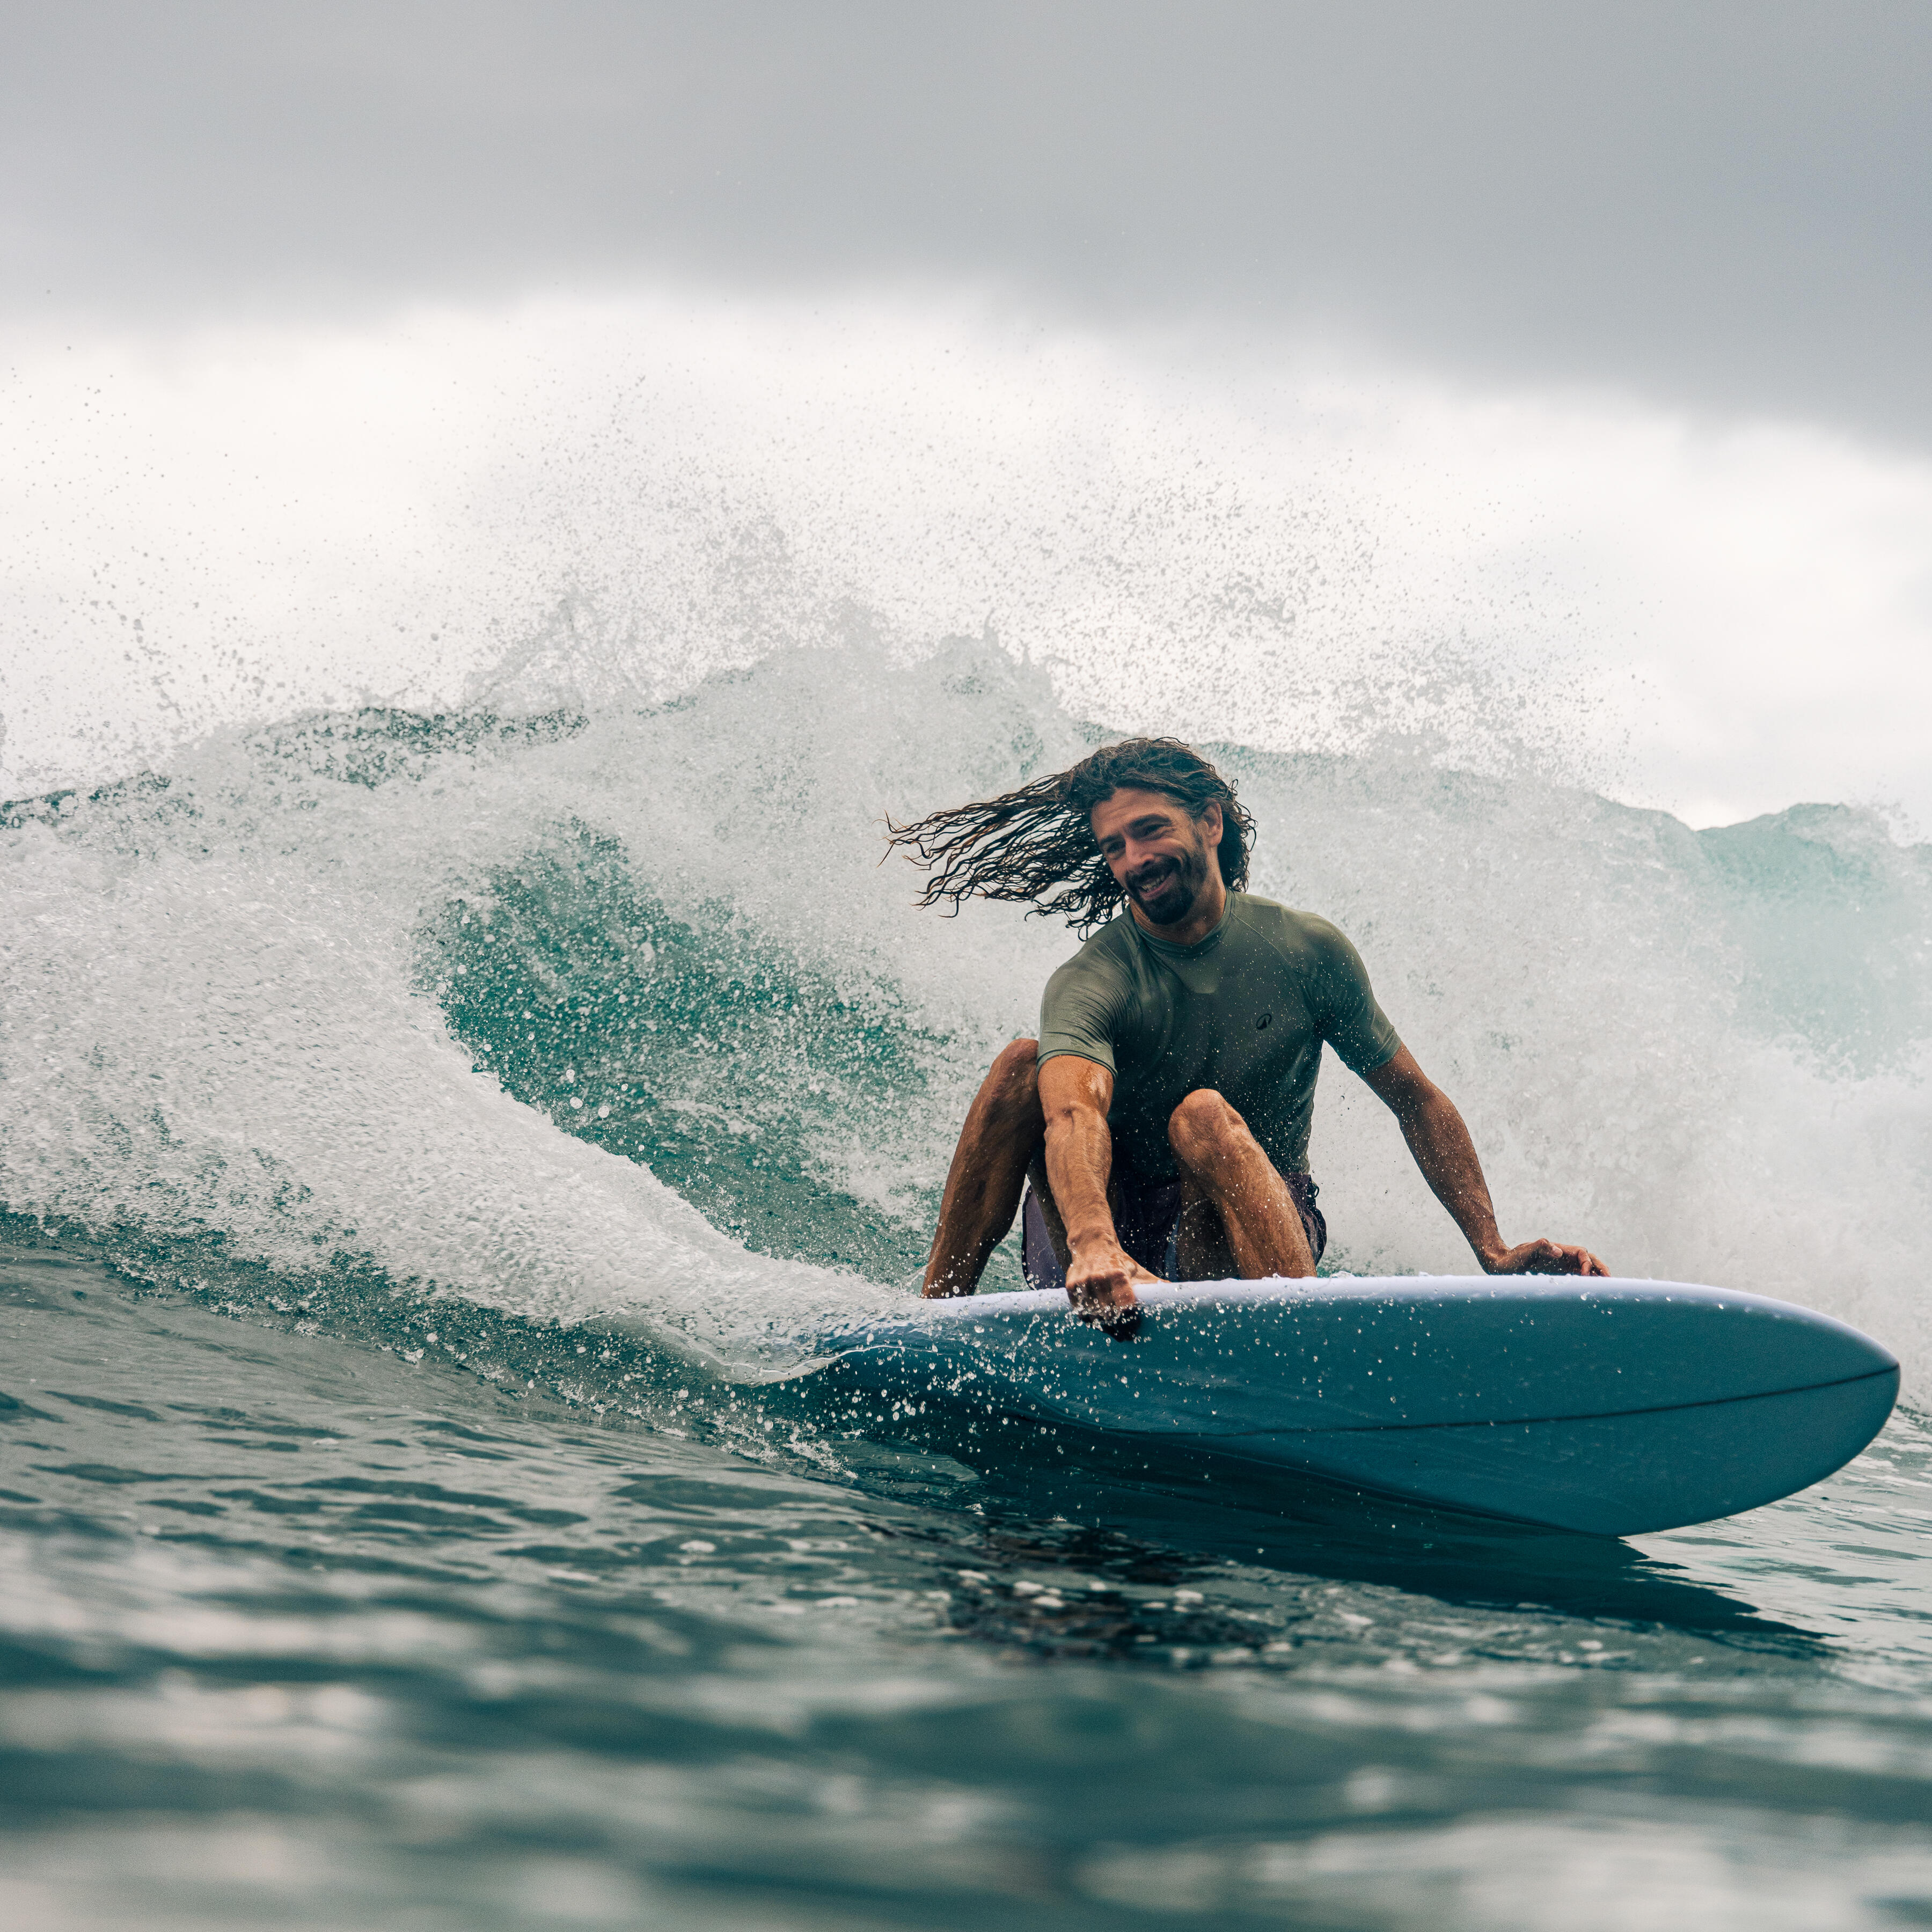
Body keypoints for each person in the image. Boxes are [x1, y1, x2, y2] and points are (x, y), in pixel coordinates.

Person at [885, 737, 1606, 1336]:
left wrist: (1492, 1249)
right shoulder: (1097, 976)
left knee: (1201, 1115)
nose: (1132, 860)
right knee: (1021, 1066)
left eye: (1150, 830)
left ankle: (1299, 1344)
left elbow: (1416, 1100)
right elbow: (1074, 1110)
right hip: (1099, 1251)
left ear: (1211, 821)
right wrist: (1095, 1239)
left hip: (1241, 1235)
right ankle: (936, 1321)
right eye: (1113, 847)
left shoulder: (1305, 951)